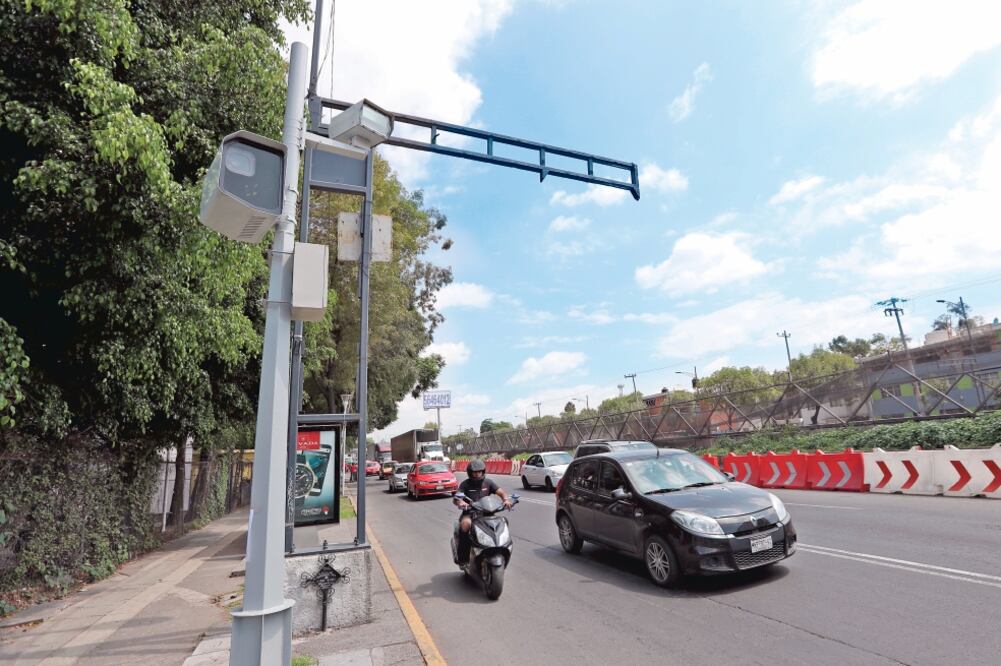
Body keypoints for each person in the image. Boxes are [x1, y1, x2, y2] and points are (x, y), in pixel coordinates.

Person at [453, 459, 512, 564]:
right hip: (470, 513)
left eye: (479, 471)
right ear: (470, 473)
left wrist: (506, 500)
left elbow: (501, 492)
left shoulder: (488, 483)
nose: (477, 474)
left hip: (487, 513)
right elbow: (457, 497)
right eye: (474, 472)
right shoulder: (465, 484)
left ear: (483, 471)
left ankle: (502, 548)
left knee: (503, 521)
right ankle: (463, 557)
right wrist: (460, 502)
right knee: (465, 525)